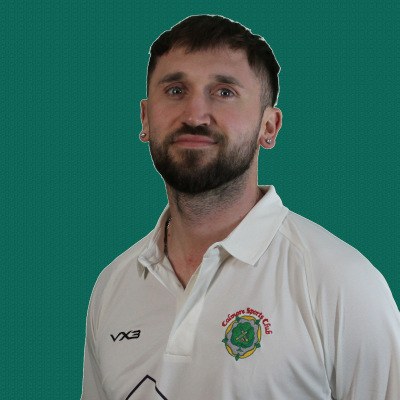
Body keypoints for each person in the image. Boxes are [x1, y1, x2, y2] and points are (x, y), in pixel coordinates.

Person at [81, 15, 400, 400]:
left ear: (269, 127)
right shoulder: (113, 286)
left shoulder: (342, 284)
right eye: (176, 90)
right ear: (146, 117)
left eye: (224, 92)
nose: (195, 115)